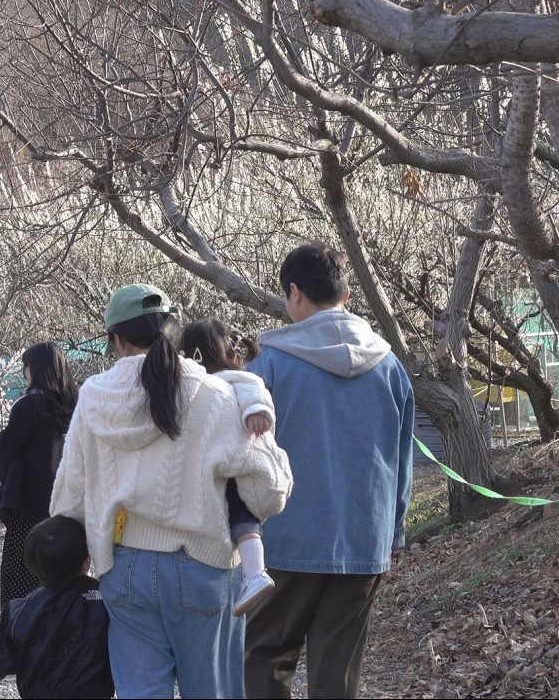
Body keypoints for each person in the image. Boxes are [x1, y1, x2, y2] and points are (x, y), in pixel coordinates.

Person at [50, 283, 293, 698]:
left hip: (123, 568)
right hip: (202, 565)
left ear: (117, 339)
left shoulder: (93, 398)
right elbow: (269, 490)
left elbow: (68, 497)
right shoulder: (216, 393)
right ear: (170, 332)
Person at [242, 244, 414, 699]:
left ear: (294, 292)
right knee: (338, 669)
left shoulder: (268, 365)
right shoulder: (391, 366)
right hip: (364, 537)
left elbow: (245, 457)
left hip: (284, 539)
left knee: (266, 655)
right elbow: (401, 460)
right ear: (348, 292)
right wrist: (392, 533)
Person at [181, 318, 278, 616]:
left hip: (235, 463)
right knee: (236, 517)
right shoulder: (198, 385)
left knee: (242, 518)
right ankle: (253, 574)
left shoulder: (237, 379)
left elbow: (257, 394)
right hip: (218, 464)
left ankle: (255, 574)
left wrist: (257, 413)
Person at [0, 515, 115, 699]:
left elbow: (4, 658)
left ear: (31, 568)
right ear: (87, 561)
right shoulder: (104, 598)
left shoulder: (22, 609)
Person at [0, 342, 78, 627]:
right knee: (65, 573)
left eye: (26, 367)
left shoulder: (29, 406)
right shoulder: (75, 404)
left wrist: (4, 483)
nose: (24, 373)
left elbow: (6, 451)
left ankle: (18, 635)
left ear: (36, 369)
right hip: (68, 506)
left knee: (20, 575)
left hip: (28, 508)